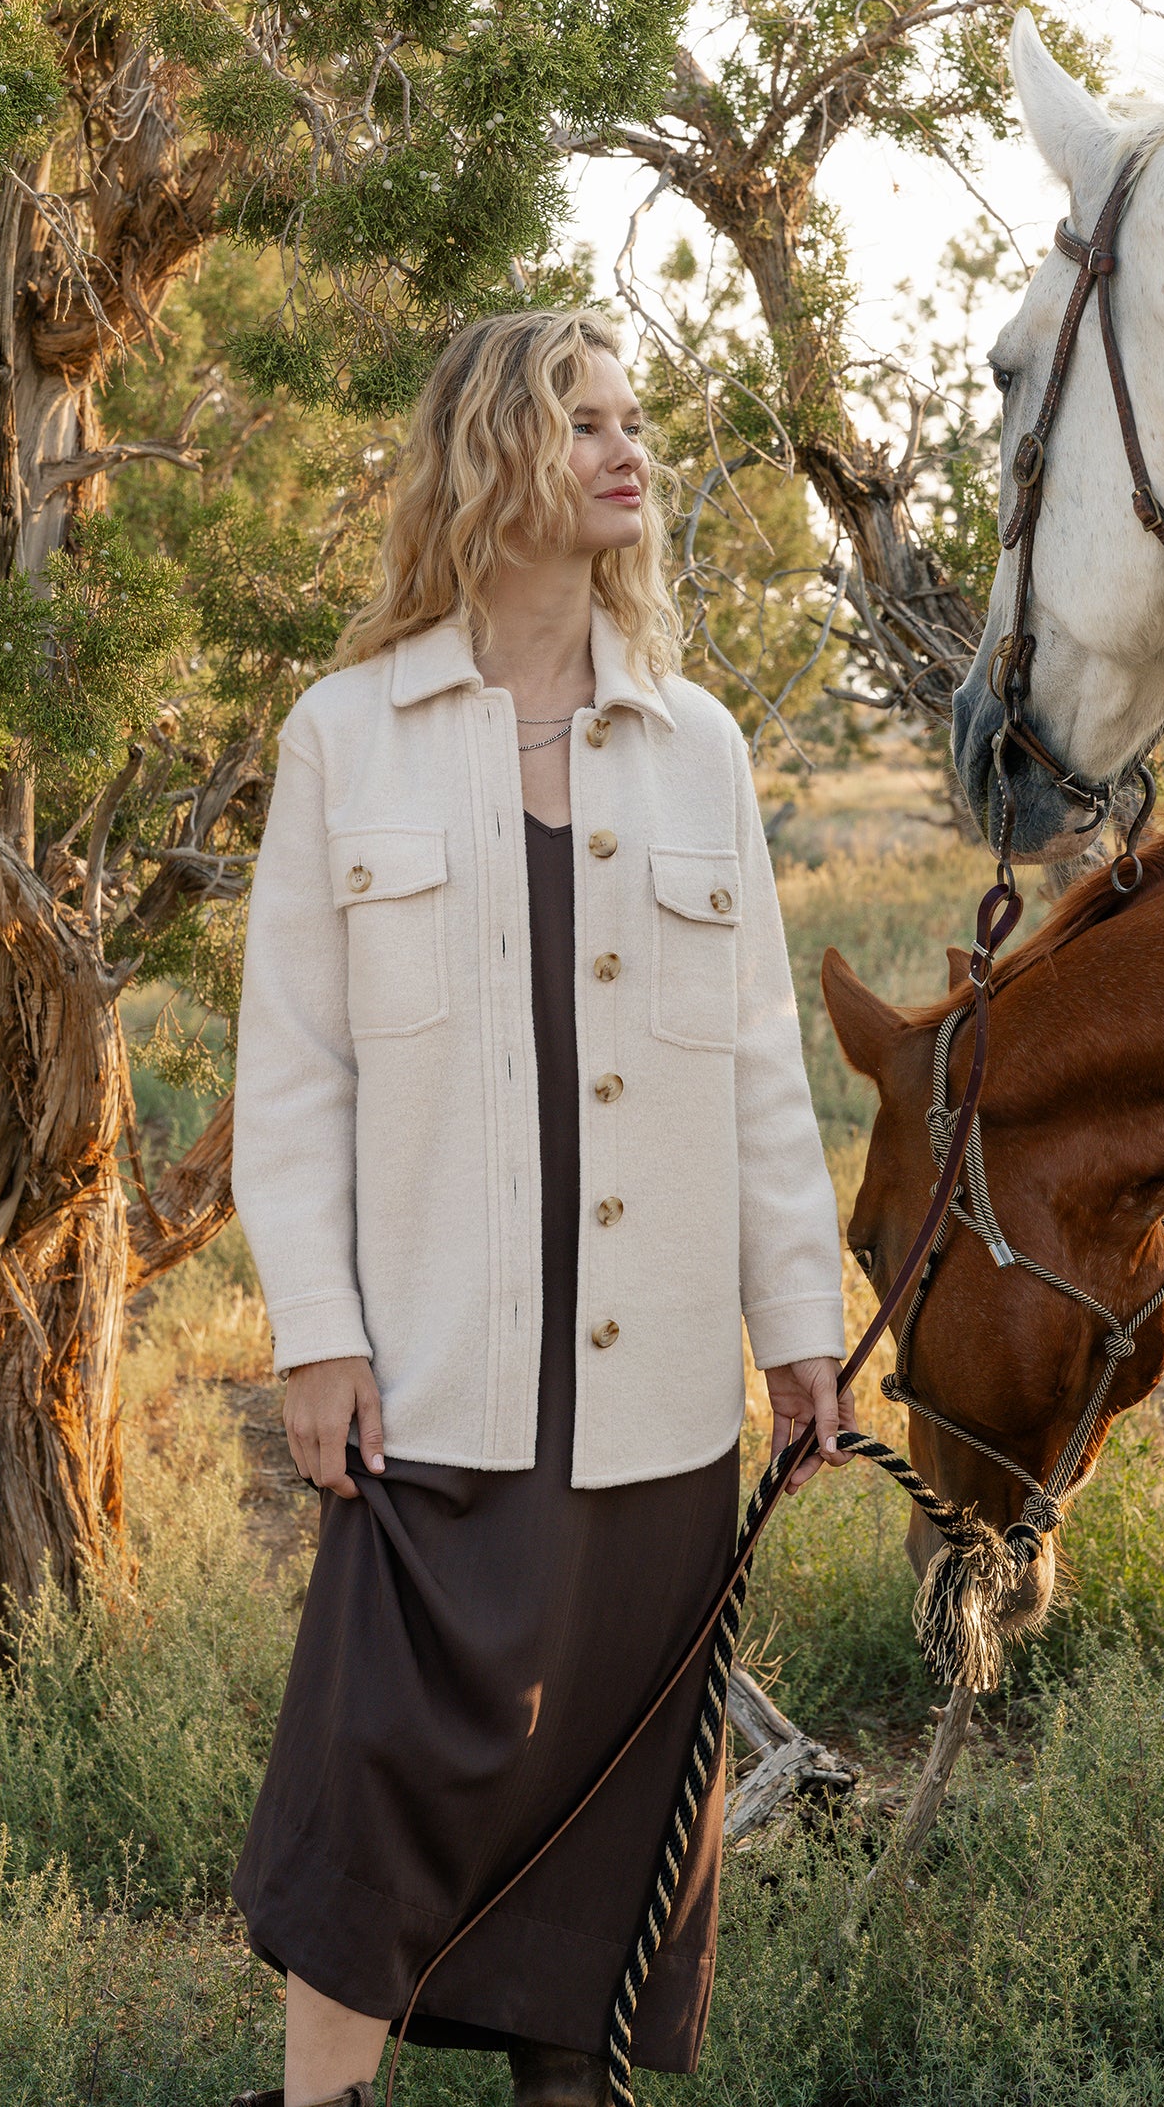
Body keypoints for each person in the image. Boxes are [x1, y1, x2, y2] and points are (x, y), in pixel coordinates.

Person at [227, 308, 851, 2107]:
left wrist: (798, 1335)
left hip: (655, 1405)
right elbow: (295, 1073)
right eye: (583, 420)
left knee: (623, 1808)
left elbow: (755, 1076)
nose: (624, 449)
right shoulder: (347, 735)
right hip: (433, 1376)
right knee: (379, 1761)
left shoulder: (702, 751)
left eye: (631, 418)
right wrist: (320, 1335)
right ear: (493, 456)